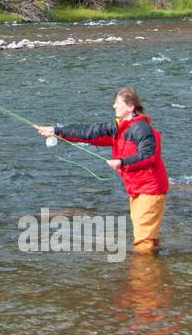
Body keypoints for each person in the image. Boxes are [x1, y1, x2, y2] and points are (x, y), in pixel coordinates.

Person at [34, 87, 169, 255]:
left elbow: (148, 157)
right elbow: (87, 133)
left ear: (130, 107)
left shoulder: (141, 129)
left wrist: (122, 162)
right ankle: (154, 271)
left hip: (150, 188)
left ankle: (143, 277)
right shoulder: (118, 128)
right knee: (147, 236)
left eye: (117, 103)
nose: (114, 106)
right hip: (138, 188)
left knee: (143, 242)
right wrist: (56, 131)